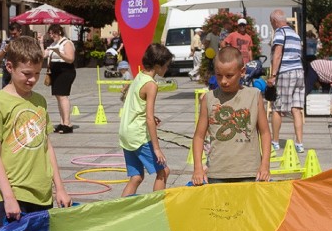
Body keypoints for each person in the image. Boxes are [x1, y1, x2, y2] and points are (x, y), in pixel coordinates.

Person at [0, 36, 70, 228]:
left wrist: (60, 188)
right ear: (10, 67)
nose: (33, 80)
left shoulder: (40, 101)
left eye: (37, 74)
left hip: (42, 192)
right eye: (27, 74)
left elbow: (47, 147)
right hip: (16, 193)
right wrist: (8, 197)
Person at [191, 47, 271, 185]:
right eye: (219, 75)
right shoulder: (209, 99)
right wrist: (198, 167)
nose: (223, 81)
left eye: (229, 75)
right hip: (217, 172)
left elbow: (265, 133)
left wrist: (265, 165)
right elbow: (199, 136)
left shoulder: (254, 96)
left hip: (249, 172)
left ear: (242, 72)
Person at [118, 43, 173, 196]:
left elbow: (135, 104)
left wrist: (149, 116)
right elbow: (149, 118)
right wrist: (156, 148)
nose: (167, 69)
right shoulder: (151, 84)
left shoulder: (139, 76)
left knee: (136, 177)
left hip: (125, 132)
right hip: (138, 136)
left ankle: (121, 211)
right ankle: (156, 208)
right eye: (166, 66)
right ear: (157, 64)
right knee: (163, 171)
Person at [266, 10, 305, 153]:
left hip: (286, 72)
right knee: (296, 108)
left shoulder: (280, 33)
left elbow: (278, 54)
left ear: (275, 21)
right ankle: (299, 143)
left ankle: (275, 141)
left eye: (271, 23)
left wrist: (273, 75)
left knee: (277, 107)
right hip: (299, 72)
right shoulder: (295, 34)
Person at [44, 24, 77, 133]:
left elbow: (70, 59)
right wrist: (40, 42)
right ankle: (62, 122)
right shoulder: (54, 44)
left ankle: (67, 123)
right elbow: (43, 54)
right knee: (58, 97)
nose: (52, 36)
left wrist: (59, 53)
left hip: (65, 71)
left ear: (59, 32)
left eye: (53, 33)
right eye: (50, 34)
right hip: (55, 71)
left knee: (63, 96)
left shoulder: (66, 43)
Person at [0, 23, 23, 88]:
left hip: (20, 68)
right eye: (11, 34)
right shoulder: (6, 42)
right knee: (6, 89)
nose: (13, 36)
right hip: (7, 69)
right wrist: (5, 50)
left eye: (15, 34)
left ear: (20, 31)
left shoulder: (24, 42)